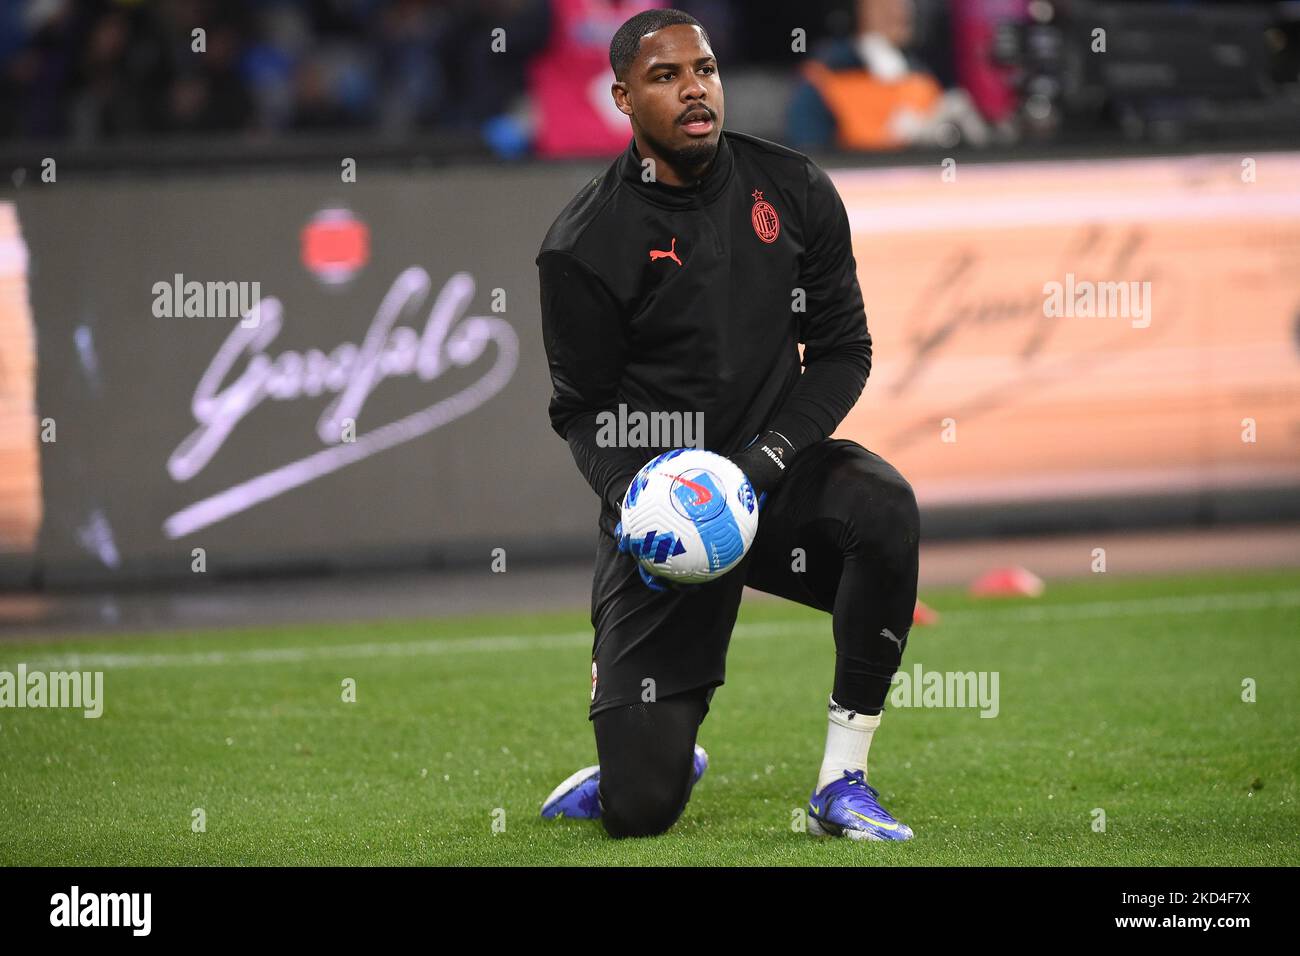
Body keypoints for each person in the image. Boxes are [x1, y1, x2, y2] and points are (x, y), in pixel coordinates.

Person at [535, 8, 919, 840]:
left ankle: (841, 781)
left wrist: (761, 463)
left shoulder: (794, 189)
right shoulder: (582, 245)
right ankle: (643, 757)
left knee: (883, 506)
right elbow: (582, 411)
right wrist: (642, 498)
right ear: (622, 99)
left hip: (768, 477)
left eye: (703, 70)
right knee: (642, 813)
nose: (694, 90)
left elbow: (845, 350)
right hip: (669, 515)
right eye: (665, 77)